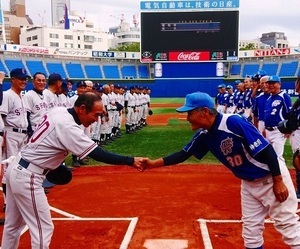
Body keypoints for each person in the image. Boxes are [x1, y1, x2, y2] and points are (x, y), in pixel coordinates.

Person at [145, 92, 300, 249]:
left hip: (269, 176)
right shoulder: (204, 135)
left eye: (190, 113)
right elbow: (183, 154)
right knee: (250, 231)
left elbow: (267, 151)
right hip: (248, 183)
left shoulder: (233, 122)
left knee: (287, 226)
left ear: (204, 111)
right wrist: (152, 164)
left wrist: (278, 180)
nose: (187, 118)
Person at [1, 92, 147, 249]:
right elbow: (96, 153)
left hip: (18, 167)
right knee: (43, 229)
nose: (96, 119)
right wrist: (131, 161)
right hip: (28, 175)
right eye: (95, 114)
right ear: (82, 109)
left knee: (12, 226)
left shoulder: (59, 111)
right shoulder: (67, 125)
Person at [0, 68, 30, 213]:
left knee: (19, 167)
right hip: (11, 133)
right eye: (20, 78)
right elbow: (1, 116)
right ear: (12, 79)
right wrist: (3, 136)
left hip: (22, 135)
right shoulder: (7, 95)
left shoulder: (21, 96)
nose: (24, 81)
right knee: (9, 168)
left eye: (25, 79)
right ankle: (7, 202)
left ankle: (16, 199)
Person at [264, 75, 292, 162]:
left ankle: (284, 176)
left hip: (278, 131)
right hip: (268, 131)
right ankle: (273, 175)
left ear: (279, 84)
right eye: (269, 83)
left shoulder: (284, 96)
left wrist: (288, 130)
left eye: (273, 83)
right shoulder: (269, 98)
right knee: (269, 158)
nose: (271, 85)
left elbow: (290, 113)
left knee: (277, 158)